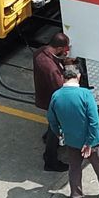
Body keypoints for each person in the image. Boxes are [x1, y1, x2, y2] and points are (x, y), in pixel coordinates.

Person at [46, 64, 99, 198]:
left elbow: (51, 119)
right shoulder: (85, 94)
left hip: (71, 140)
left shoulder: (56, 96)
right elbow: (94, 121)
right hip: (91, 141)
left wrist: (59, 133)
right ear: (79, 77)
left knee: (74, 168)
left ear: (63, 77)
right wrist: (89, 142)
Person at [32, 32, 72, 173]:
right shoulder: (51, 69)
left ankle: (47, 137)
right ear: (60, 48)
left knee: (52, 123)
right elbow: (61, 89)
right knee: (55, 129)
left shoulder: (40, 52)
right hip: (53, 101)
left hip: (43, 96)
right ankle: (50, 161)